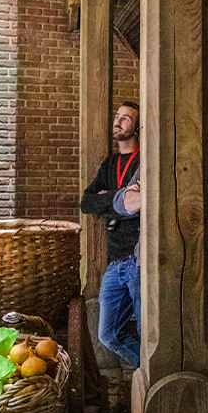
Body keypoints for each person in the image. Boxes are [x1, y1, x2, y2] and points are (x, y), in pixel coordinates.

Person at [79, 102, 143, 369]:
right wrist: (119, 201)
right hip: (115, 262)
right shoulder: (109, 164)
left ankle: (149, 380)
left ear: (137, 127)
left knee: (146, 331)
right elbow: (86, 202)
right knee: (107, 335)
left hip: (138, 259)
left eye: (126, 118)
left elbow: (141, 205)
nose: (118, 122)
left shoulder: (143, 161)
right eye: (117, 116)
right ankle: (145, 369)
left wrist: (108, 201)